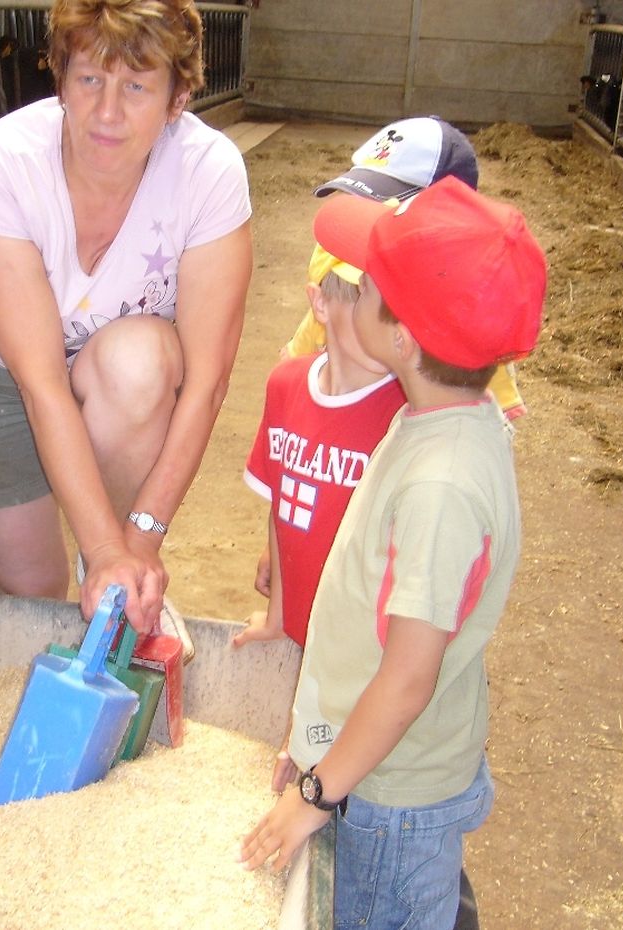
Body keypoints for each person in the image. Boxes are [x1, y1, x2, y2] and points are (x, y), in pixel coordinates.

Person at [240, 177, 546, 930]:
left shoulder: (441, 485)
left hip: (390, 797)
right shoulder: (445, 417)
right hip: (374, 767)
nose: (353, 284)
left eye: (369, 281)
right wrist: (315, 743)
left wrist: (317, 794)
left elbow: (407, 680)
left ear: (402, 338)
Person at [0, 0, 252, 633]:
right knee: (35, 594)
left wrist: (137, 542)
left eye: (136, 86)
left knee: (140, 361)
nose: (107, 112)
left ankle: (114, 584)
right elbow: (40, 382)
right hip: (3, 371)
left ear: (177, 98)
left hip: (117, 368)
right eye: (89, 78)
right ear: (60, 77)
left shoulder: (208, 173)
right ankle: (91, 571)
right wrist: (107, 547)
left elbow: (208, 381)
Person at [282, 116, 527, 421]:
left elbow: (489, 423)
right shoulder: (339, 265)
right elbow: (296, 364)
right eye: (361, 201)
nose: (368, 218)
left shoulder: (469, 319)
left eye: (389, 205)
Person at [234, 222, 405, 650]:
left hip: (368, 645)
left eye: (397, 302)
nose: (387, 321)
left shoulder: (406, 409)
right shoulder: (286, 385)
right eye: (364, 298)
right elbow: (283, 500)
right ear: (321, 303)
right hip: (306, 628)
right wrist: (278, 615)